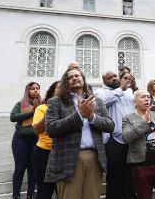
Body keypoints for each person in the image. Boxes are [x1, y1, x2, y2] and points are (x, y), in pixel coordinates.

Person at [45, 68, 114, 199]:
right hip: (68, 158)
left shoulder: (97, 101)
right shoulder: (56, 102)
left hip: (95, 157)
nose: (75, 78)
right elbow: (51, 129)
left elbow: (110, 125)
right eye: (70, 77)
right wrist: (79, 115)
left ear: (83, 79)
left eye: (77, 75)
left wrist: (92, 117)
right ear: (66, 83)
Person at [122, 90, 155, 199]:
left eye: (148, 97)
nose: (147, 99)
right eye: (143, 97)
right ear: (135, 102)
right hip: (141, 165)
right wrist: (144, 122)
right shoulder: (128, 118)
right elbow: (127, 138)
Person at [94, 70, 137, 199]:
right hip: (113, 139)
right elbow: (101, 102)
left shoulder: (128, 92)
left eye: (115, 76)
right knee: (114, 175)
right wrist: (120, 89)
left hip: (130, 138)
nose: (114, 78)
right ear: (104, 80)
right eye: (110, 77)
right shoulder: (100, 92)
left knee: (129, 175)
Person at [10, 82, 41, 199]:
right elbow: (12, 117)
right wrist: (30, 112)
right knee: (20, 167)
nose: (35, 90)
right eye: (32, 89)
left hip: (35, 139)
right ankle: (16, 196)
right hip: (20, 139)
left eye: (37, 88)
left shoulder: (42, 104)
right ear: (28, 91)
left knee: (32, 168)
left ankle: (30, 195)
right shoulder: (20, 103)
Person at [32, 81, 60, 199]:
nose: (62, 89)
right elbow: (36, 130)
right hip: (44, 154)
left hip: (62, 154)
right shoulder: (42, 108)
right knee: (44, 192)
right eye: (59, 87)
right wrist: (50, 112)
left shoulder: (69, 108)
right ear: (52, 91)